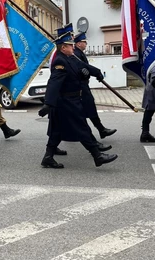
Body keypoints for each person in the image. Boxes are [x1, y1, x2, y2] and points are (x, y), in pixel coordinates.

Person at [38, 32, 118, 168]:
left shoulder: (69, 58)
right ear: (63, 47)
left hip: (70, 100)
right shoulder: (60, 61)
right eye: (70, 45)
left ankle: (48, 157)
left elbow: (81, 67)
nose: (73, 48)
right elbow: (54, 83)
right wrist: (48, 103)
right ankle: (97, 156)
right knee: (82, 128)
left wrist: (93, 73)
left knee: (56, 130)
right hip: (66, 102)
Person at [73, 32, 117, 141]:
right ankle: (97, 132)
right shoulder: (76, 54)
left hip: (83, 86)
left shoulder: (79, 53)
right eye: (84, 42)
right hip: (79, 87)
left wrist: (88, 72)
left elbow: (85, 68)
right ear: (78, 44)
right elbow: (83, 67)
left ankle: (101, 130)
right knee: (84, 110)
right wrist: (96, 72)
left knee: (87, 108)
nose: (86, 44)